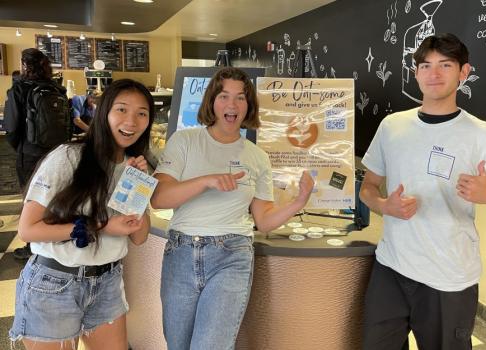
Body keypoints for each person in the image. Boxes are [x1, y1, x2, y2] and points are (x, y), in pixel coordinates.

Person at [359, 33, 486, 350]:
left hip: (449, 278)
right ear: (416, 72)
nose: (433, 74)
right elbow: (367, 187)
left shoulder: (483, 136)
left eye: (445, 65)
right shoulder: (392, 126)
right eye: (425, 65)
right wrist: (384, 205)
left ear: (463, 72)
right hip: (391, 268)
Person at [151, 67, 314, 350]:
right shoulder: (185, 141)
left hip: (232, 256)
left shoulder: (257, 157)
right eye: (224, 96)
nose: (232, 104)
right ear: (212, 101)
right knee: (178, 345)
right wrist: (206, 181)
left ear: (248, 106)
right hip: (181, 252)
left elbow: (263, 220)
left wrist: (299, 201)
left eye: (240, 98)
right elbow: (158, 198)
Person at [9, 79, 154, 350]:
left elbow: (139, 237)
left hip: (107, 283)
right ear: (104, 112)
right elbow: (27, 230)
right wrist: (99, 227)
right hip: (54, 283)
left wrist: (138, 187)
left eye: (141, 113)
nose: (131, 121)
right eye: (121, 110)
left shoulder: (134, 167)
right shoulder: (68, 157)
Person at [4, 48, 67, 260]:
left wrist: (20, 146)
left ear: (24, 65)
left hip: (30, 153)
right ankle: (54, 238)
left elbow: (11, 126)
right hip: (56, 153)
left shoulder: (19, 88)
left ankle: (33, 246)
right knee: (56, 196)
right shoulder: (58, 89)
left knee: (31, 198)